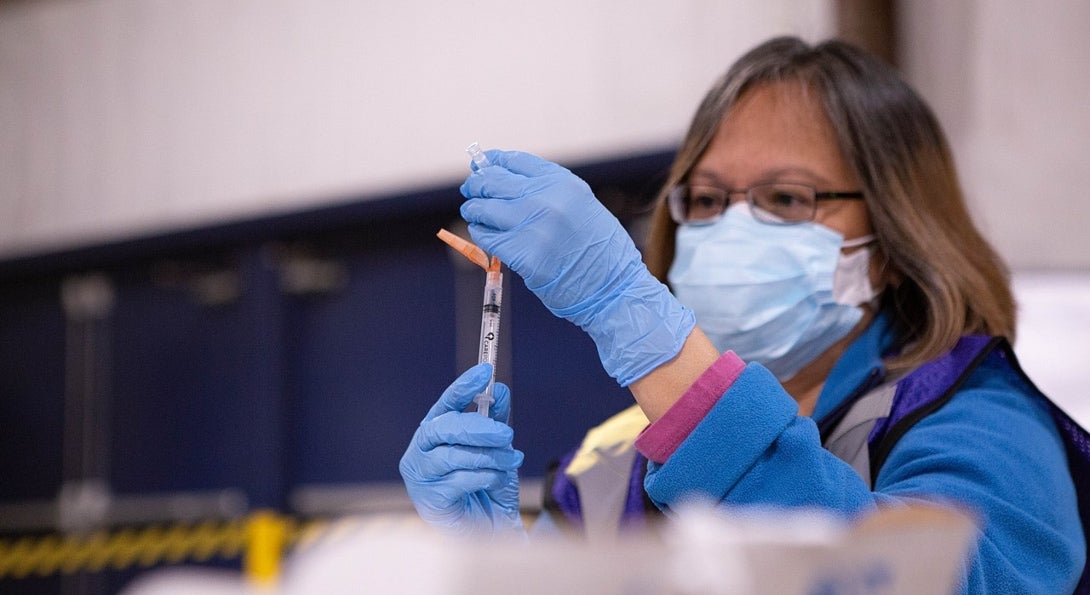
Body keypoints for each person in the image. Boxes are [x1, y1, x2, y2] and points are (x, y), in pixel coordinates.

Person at [399, 36, 1088, 592]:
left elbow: (926, 581)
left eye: (786, 199)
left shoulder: (978, 426)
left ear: (892, 242)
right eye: (704, 200)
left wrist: (625, 310)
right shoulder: (607, 466)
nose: (731, 229)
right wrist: (496, 567)